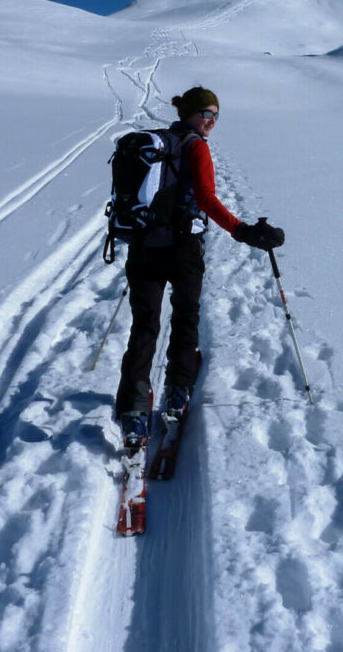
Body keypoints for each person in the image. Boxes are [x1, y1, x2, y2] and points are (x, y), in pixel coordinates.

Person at [115, 85, 284, 444]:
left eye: (216, 115)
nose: (212, 121)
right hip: (182, 249)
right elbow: (206, 199)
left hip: (144, 248)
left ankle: (133, 410)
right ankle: (177, 391)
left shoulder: (158, 145)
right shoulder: (195, 147)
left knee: (145, 326)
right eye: (206, 114)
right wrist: (242, 231)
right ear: (189, 114)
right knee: (185, 316)